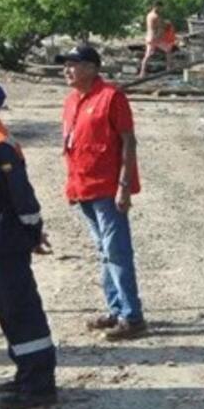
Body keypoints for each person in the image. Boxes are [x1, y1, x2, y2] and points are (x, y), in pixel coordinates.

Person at [0, 76, 57, 409]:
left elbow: (21, 194)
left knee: (21, 309)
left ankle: (39, 385)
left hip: (7, 239)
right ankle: (26, 372)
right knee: (8, 309)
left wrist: (33, 231)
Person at [58, 43, 147, 340]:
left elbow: (128, 142)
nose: (67, 70)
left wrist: (124, 186)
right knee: (104, 252)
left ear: (92, 68)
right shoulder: (72, 100)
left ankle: (132, 317)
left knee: (117, 251)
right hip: (82, 186)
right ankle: (116, 308)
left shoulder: (111, 97)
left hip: (108, 189)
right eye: (66, 64)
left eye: (74, 64)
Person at [138, 0, 176, 77]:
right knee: (168, 50)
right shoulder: (156, 16)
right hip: (155, 38)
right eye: (160, 8)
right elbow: (161, 27)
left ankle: (142, 72)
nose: (161, 10)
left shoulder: (148, 15)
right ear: (157, 6)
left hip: (149, 36)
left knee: (147, 55)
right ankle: (168, 69)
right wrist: (167, 24)